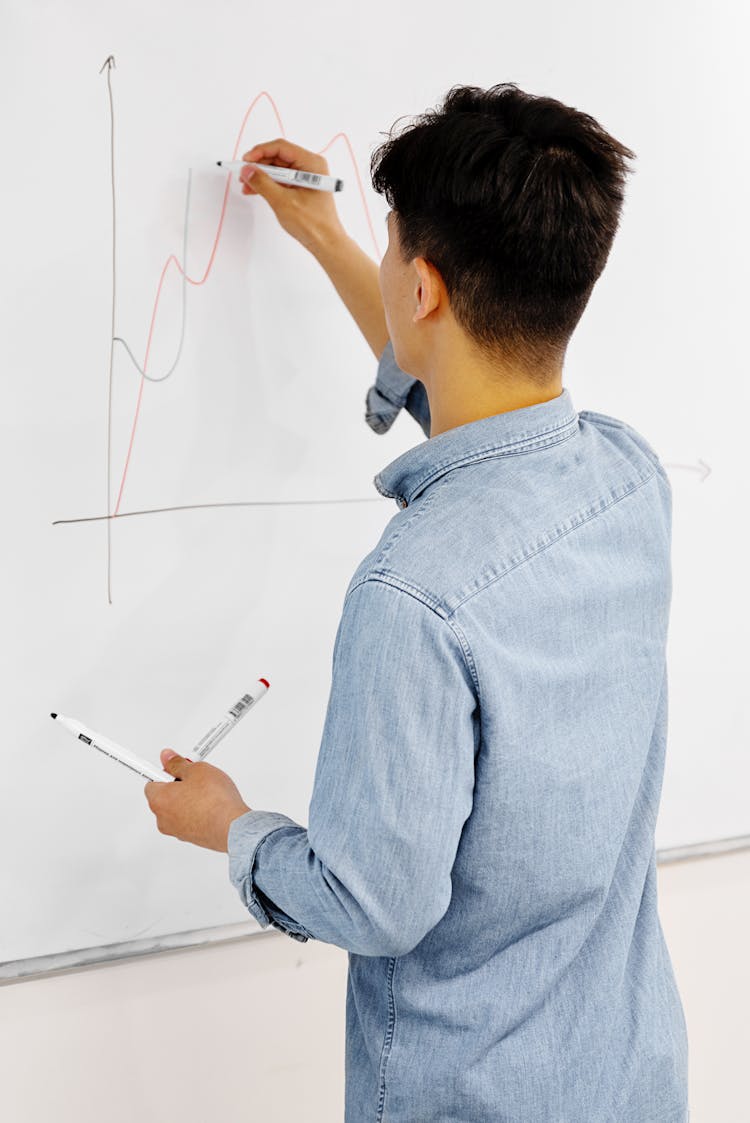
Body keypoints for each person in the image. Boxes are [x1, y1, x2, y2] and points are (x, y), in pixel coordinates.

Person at [145, 83, 689, 1122]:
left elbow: (372, 900)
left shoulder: (413, 595)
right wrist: (334, 239)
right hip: (629, 1078)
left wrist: (231, 827)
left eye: (396, 253)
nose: (389, 268)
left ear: (426, 289)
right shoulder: (627, 477)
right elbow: (473, 413)